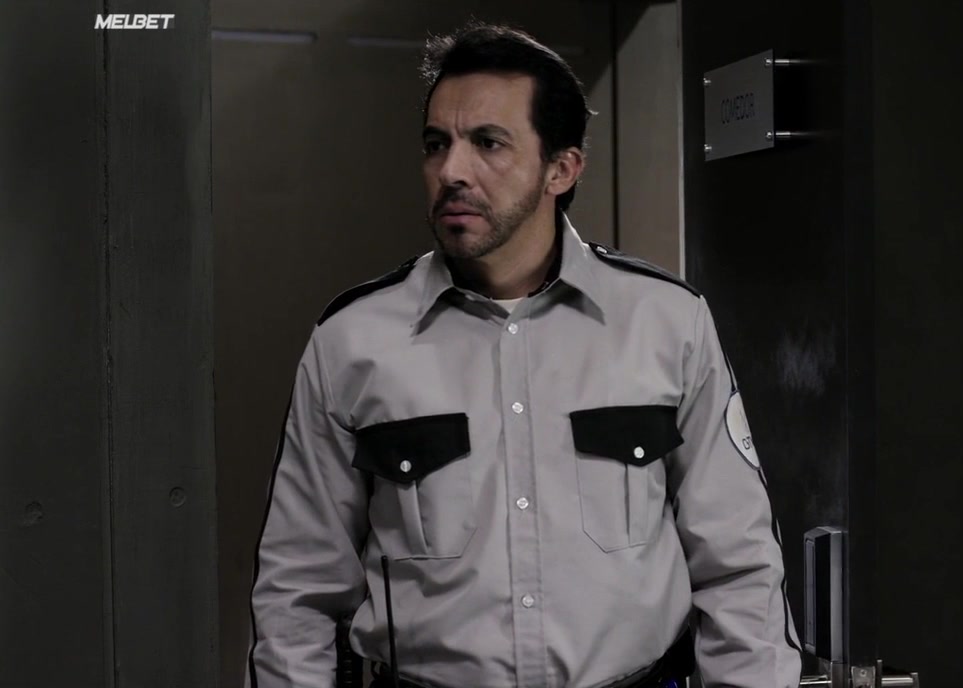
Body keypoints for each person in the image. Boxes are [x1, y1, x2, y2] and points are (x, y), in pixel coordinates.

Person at [248, 22, 802, 688]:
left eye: (488, 143)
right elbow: (298, 593)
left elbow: (739, 568)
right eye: (436, 144)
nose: (451, 171)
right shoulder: (352, 341)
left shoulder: (666, 323)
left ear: (561, 169)